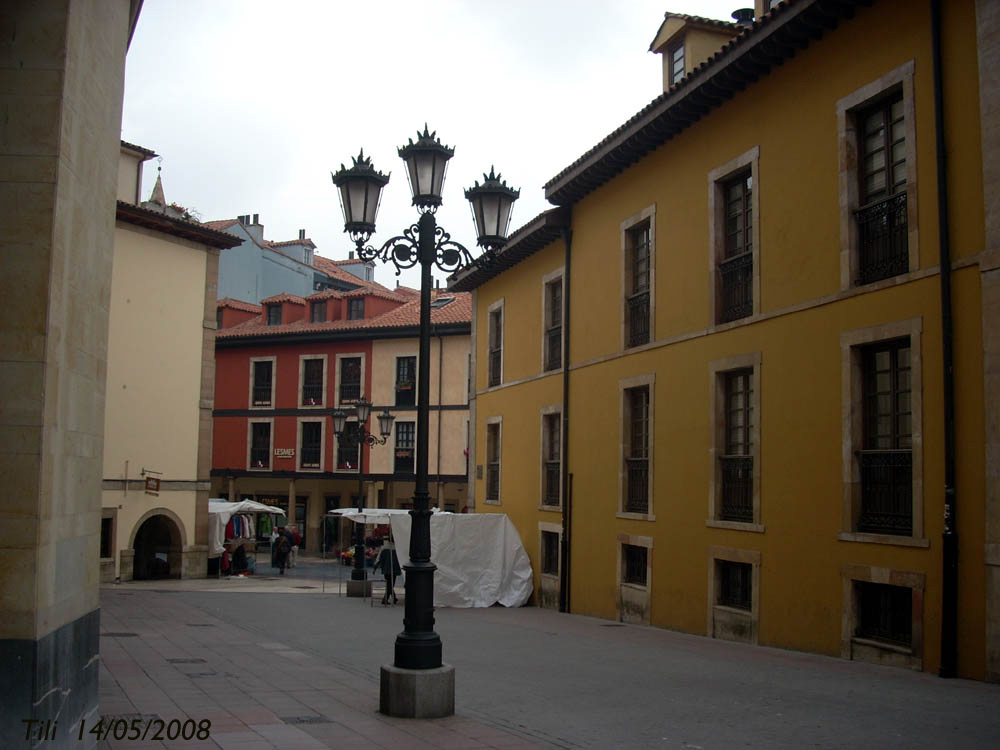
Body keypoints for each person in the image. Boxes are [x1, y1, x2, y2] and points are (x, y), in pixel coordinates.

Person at [373, 539, 401, 604]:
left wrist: (375, 568)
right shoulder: (397, 548)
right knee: (391, 584)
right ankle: (386, 599)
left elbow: (378, 559)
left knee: (389, 584)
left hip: (386, 568)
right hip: (395, 569)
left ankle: (392, 598)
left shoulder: (383, 548)